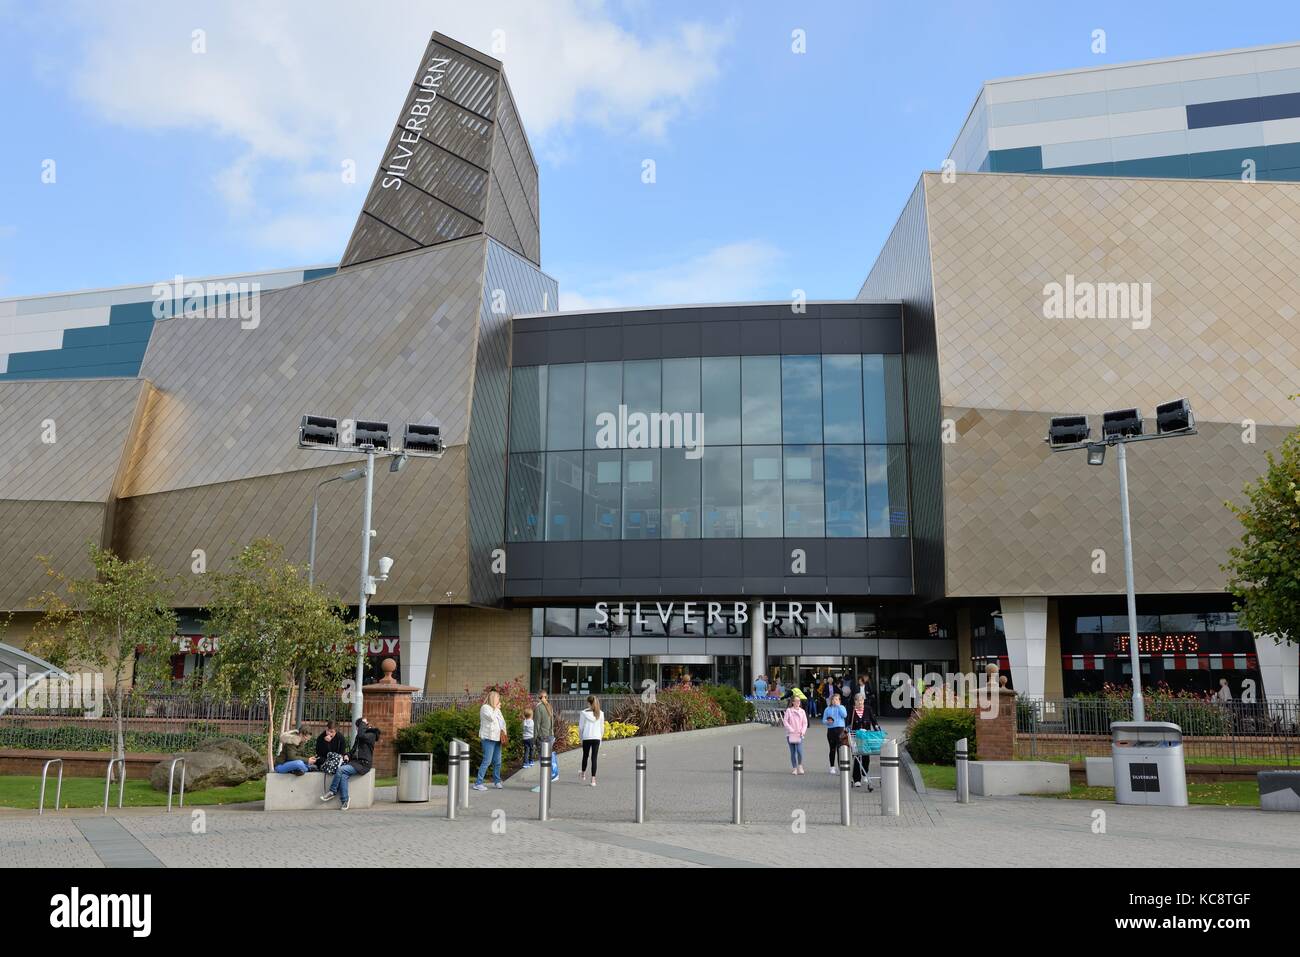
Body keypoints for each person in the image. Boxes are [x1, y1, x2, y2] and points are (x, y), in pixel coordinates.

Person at [320, 717, 379, 810]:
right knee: (343, 775)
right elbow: (353, 750)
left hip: (364, 764)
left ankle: (332, 791)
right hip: (355, 762)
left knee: (341, 769)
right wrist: (348, 755)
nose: (356, 730)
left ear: (361, 727)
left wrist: (362, 723)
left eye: (357, 727)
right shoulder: (360, 736)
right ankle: (345, 800)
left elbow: (361, 736)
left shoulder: (371, 735)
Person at [475, 689, 507, 791]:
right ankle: (478, 783)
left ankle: (497, 781)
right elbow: (491, 718)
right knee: (487, 761)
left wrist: (504, 733)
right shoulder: (485, 708)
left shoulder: (497, 710)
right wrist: (496, 709)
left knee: (497, 761)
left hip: (497, 739)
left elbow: (502, 722)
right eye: (498, 698)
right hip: (488, 738)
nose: (499, 700)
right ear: (493, 698)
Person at [530, 691, 559, 793]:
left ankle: (543, 786)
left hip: (542, 737)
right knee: (547, 762)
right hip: (550, 736)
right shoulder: (549, 707)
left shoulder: (539, 708)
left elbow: (537, 725)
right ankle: (546, 784)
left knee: (543, 763)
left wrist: (534, 739)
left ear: (539, 698)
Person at [848, 693, 877, 789]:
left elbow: (874, 721)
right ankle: (856, 779)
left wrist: (878, 731)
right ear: (855, 702)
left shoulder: (868, 709)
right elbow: (848, 723)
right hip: (855, 737)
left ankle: (865, 774)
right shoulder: (852, 710)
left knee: (866, 757)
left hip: (866, 737)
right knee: (856, 757)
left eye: (861, 700)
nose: (860, 703)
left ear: (863, 701)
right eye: (857, 701)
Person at [578, 694, 605, 787]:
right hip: (596, 737)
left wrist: (581, 738)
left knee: (585, 756)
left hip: (586, 737)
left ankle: (583, 773)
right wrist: (600, 738)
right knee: (594, 758)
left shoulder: (583, 713)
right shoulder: (601, 713)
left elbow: (581, 728)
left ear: (588, 703)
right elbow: (602, 728)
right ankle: (593, 780)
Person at [782, 693, 808, 774]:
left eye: (799, 701)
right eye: (796, 701)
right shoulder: (789, 710)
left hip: (799, 734)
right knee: (793, 752)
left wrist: (803, 731)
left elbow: (805, 723)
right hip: (790, 734)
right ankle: (794, 768)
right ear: (792, 702)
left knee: (799, 751)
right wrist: (790, 729)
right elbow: (785, 721)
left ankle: (800, 765)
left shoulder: (802, 711)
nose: (798, 702)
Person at [822, 693, 848, 773]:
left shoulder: (842, 707)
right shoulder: (827, 709)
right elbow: (823, 720)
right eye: (833, 699)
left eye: (836, 699)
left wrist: (839, 706)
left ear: (839, 700)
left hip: (840, 729)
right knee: (832, 749)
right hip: (831, 730)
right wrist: (827, 722)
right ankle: (832, 767)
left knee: (840, 749)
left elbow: (844, 715)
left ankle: (841, 767)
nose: (834, 701)